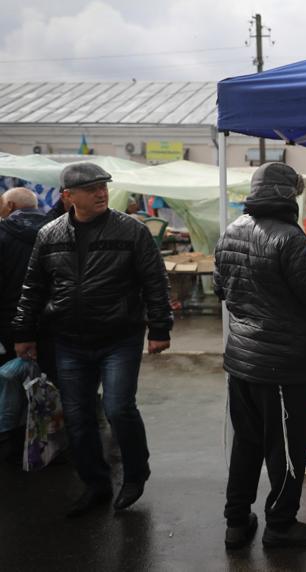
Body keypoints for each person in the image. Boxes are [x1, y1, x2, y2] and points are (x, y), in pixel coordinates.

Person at [11, 163, 172, 516]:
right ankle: (95, 484)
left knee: (118, 408)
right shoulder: (49, 234)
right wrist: (23, 333)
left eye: (103, 186)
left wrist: (160, 328)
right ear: (69, 196)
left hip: (120, 337)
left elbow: (154, 280)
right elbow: (33, 288)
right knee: (78, 416)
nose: (101, 193)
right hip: (69, 340)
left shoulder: (131, 230)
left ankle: (134, 474)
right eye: (92, 188)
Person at [214, 162, 306, 550]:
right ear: (286, 195)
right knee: (288, 449)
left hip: (243, 361)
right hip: (281, 367)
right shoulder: (291, 239)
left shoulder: (231, 231)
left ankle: (236, 521)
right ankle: (280, 524)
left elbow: (221, 289)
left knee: (247, 443)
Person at [0, 188, 49, 367]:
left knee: (9, 381)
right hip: (50, 320)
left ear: (10, 205)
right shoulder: (57, 230)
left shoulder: (2, 233)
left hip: (8, 322)